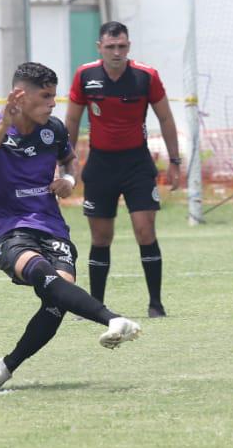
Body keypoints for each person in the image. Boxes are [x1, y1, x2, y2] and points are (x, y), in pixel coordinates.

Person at [0, 61, 142, 394]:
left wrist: (70, 179)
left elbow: (70, 159)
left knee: (57, 298)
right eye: (46, 96)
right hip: (10, 229)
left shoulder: (54, 129)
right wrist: (4, 124)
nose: (52, 103)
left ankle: (5, 368)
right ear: (20, 96)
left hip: (52, 227)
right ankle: (113, 319)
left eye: (54, 96)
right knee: (42, 273)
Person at [63, 21, 182, 318]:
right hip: (101, 165)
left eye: (122, 46)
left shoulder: (146, 76)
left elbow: (166, 119)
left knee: (145, 231)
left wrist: (175, 161)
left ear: (128, 46)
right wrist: (67, 160)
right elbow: (72, 121)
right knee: (101, 238)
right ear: (99, 47)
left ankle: (156, 304)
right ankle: (94, 306)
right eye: (110, 47)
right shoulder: (85, 75)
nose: (117, 52)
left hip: (137, 165)